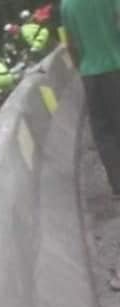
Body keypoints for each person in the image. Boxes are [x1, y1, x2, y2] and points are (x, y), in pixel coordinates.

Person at [61, 0, 120, 195]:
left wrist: (82, 68)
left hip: (90, 73)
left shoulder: (67, 5)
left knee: (103, 131)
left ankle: (117, 184)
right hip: (115, 66)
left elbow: (70, 44)